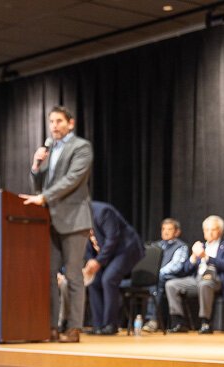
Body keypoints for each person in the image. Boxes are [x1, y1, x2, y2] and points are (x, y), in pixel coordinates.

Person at [20, 105, 93, 343]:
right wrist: (35, 166)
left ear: (70, 123)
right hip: (49, 221)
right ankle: (50, 327)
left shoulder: (81, 147)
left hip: (74, 220)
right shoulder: (49, 149)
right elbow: (39, 186)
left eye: (59, 121)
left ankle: (73, 329)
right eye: (51, 122)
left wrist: (43, 197)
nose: (54, 126)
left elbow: (73, 180)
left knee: (73, 275)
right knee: (48, 275)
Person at [165, 215, 224, 334]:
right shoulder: (200, 246)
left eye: (212, 229)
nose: (209, 232)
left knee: (205, 283)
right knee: (171, 285)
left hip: (216, 279)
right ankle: (179, 322)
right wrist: (193, 256)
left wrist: (206, 257)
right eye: (206, 229)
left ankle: (205, 323)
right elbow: (186, 269)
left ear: (220, 231)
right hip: (197, 279)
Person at [82, 201, 144, 335]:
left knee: (108, 279)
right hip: (107, 254)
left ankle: (111, 324)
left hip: (126, 250)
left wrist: (98, 262)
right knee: (94, 281)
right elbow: (85, 243)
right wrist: (90, 261)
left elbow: (112, 239)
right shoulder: (81, 218)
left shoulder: (103, 212)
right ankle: (98, 325)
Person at [142, 218, 188, 332]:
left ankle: (152, 319)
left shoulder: (180, 246)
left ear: (177, 232)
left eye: (169, 229)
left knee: (157, 280)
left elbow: (176, 266)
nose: (166, 232)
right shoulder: (155, 245)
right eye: (163, 229)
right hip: (155, 277)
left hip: (172, 277)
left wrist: (157, 273)